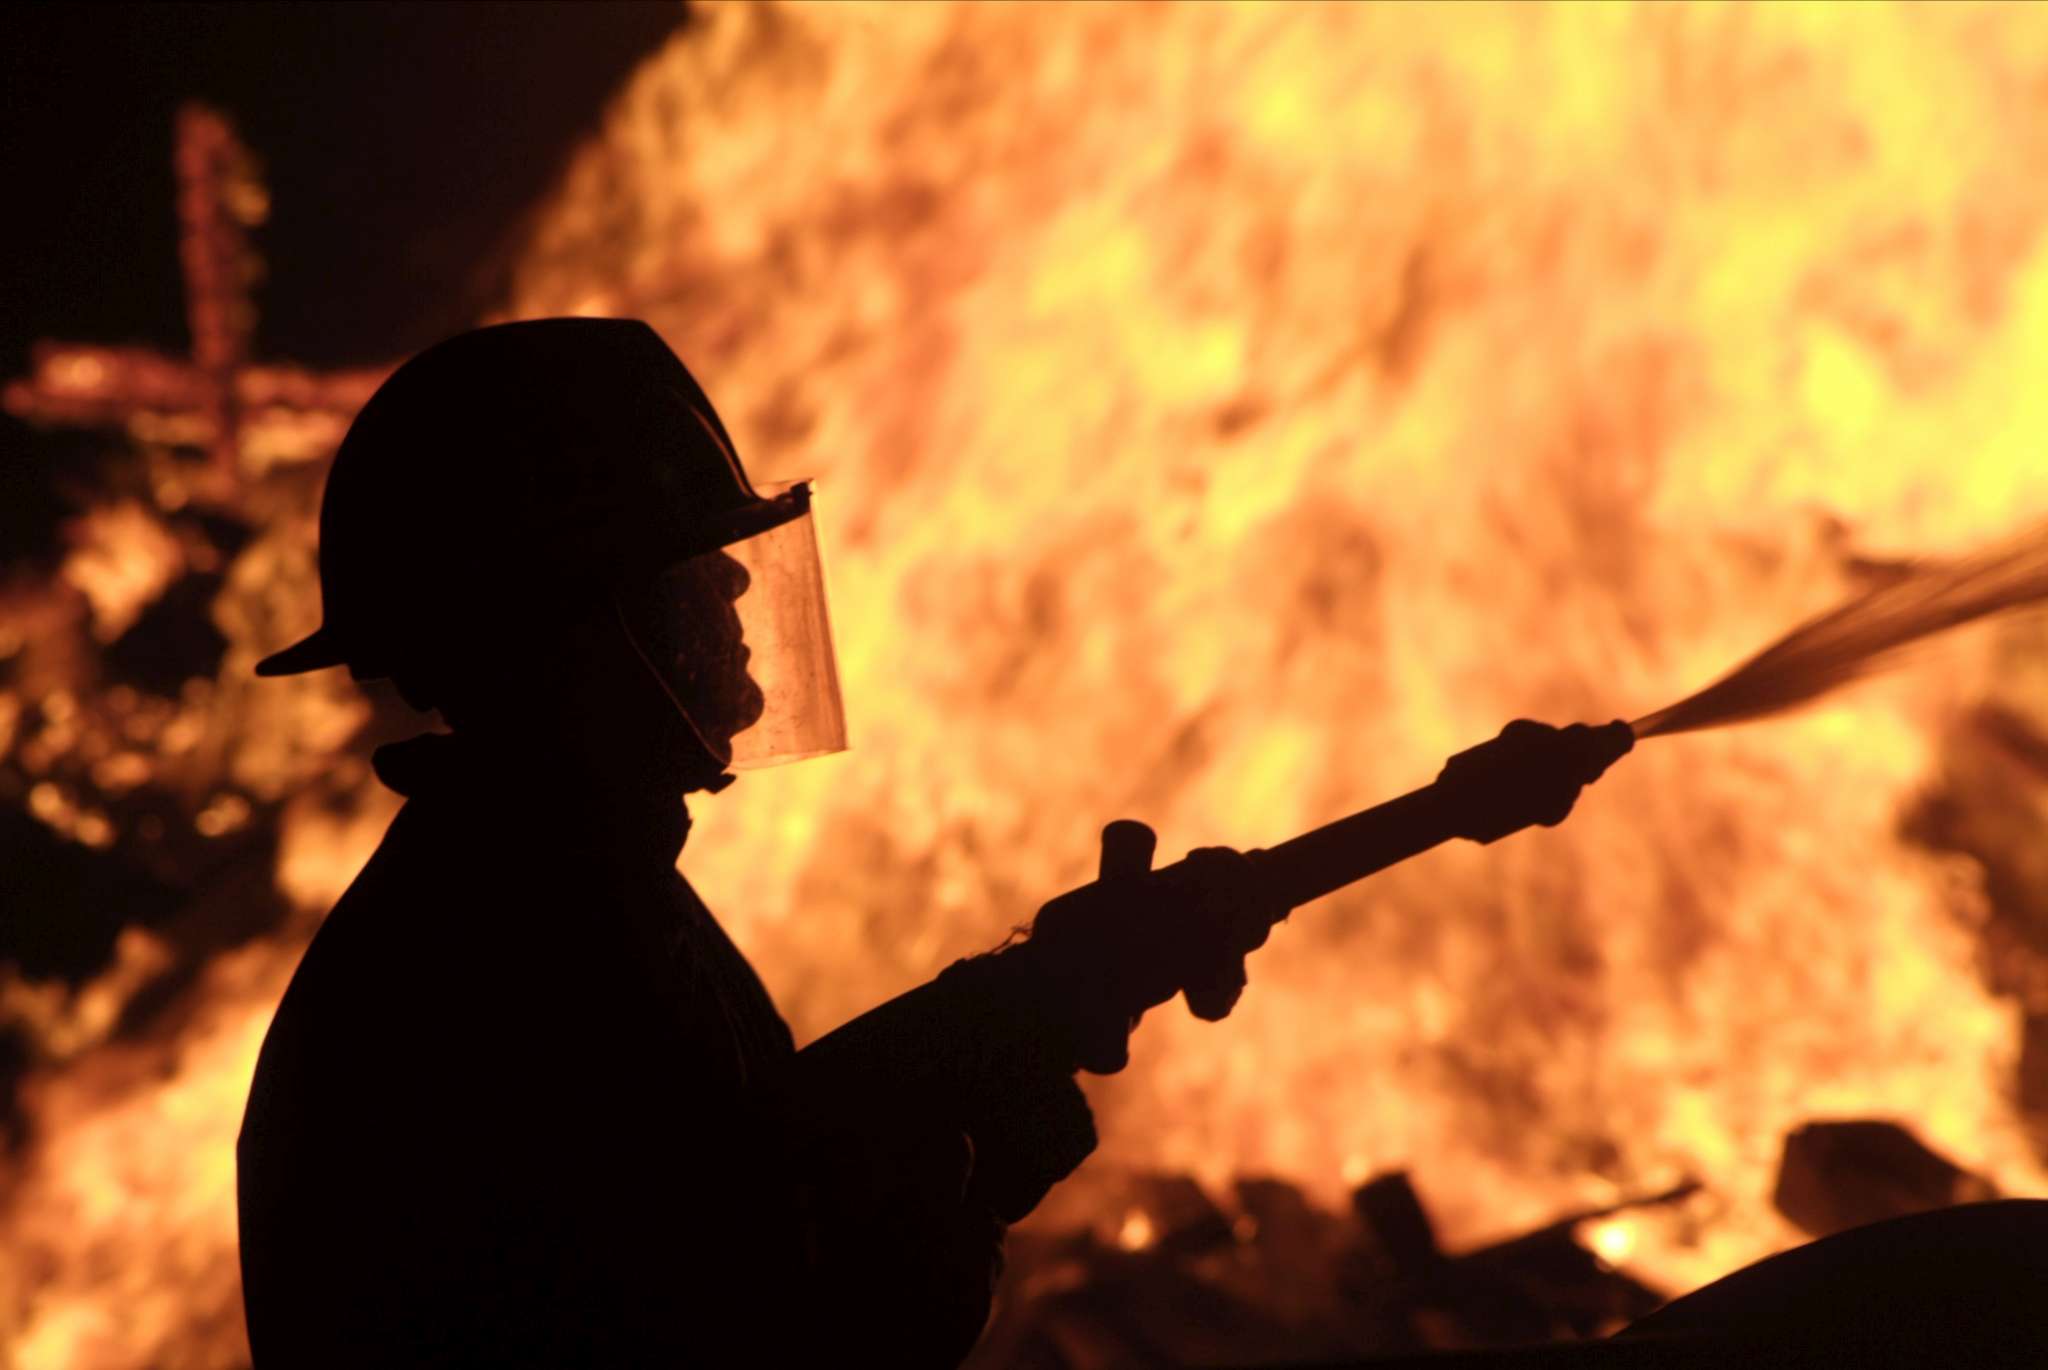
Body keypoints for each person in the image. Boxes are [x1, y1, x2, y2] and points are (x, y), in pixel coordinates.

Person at [236, 318, 1614, 1367]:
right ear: (571, 632)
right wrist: (968, 1169)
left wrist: (1018, 1000)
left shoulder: (523, 903)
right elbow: (761, 1322)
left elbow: (749, 1147)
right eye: (685, 566)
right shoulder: (527, 958)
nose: (730, 587)